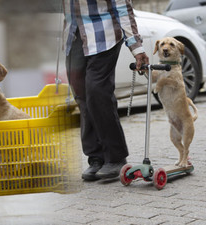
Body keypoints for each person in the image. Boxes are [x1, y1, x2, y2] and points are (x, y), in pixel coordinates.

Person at [63, 0, 149, 181]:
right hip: (74, 34)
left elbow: (122, 7)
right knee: (82, 96)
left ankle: (116, 157)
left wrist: (136, 47)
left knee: (97, 92)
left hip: (103, 33)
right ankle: (96, 157)